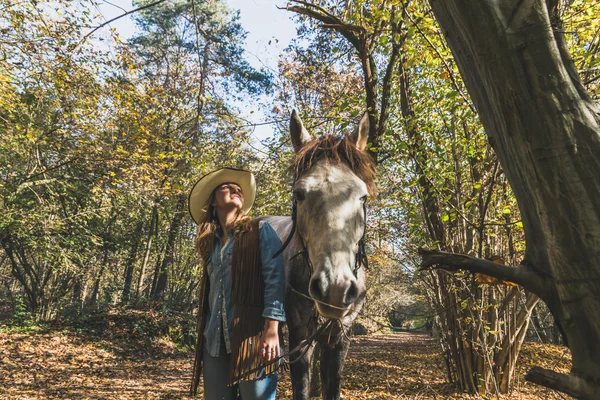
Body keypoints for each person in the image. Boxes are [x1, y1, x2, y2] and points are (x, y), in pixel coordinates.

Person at [188, 167, 286, 400]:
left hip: (253, 338)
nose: (235, 190)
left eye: (238, 189)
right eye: (226, 187)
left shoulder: (260, 231)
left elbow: (275, 280)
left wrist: (272, 329)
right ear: (212, 202)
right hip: (214, 340)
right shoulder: (210, 244)